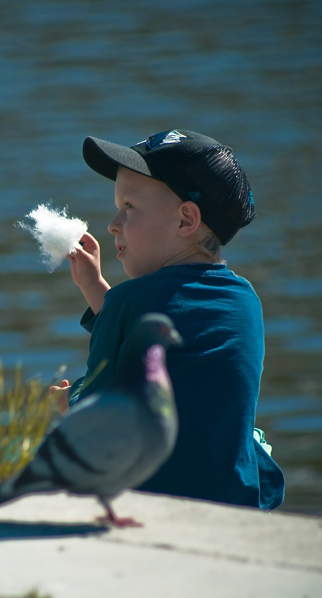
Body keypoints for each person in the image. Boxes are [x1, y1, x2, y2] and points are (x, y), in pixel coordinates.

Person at [50, 129, 284, 510]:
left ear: (185, 220)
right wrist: (95, 287)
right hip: (235, 503)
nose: (112, 224)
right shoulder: (246, 302)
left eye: (129, 207)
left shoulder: (129, 302)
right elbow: (175, 342)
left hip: (157, 505)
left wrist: (68, 400)